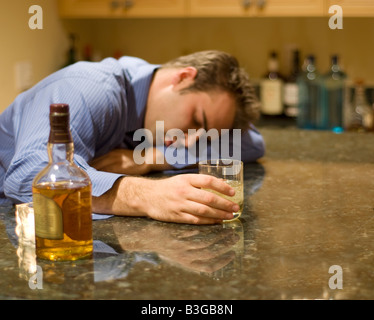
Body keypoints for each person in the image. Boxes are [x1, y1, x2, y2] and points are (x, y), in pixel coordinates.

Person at [0, 50, 265, 224]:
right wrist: (147, 195)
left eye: (205, 136)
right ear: (183, 77)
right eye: (196, 121)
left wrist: (153, 157)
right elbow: (29, 174)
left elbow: (252, 143)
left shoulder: (164, 110)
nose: (188, 141)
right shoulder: (89, 89)